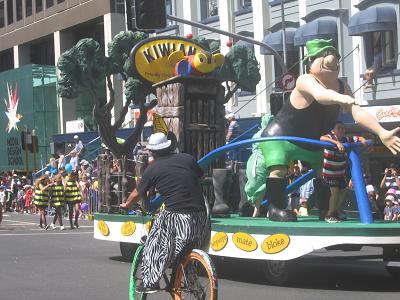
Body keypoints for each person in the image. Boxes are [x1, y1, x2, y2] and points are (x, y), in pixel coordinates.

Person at [258, 38, 400, 222]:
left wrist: (381, 131)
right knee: (279, 170)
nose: (330, 60)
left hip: (312, 142)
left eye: (333, 55)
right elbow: (320, 95)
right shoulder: (305, 80)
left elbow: (357, 112)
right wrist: (341, 98)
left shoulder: (342, 86)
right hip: (280, 137)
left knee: (322, 174)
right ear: (310, 61)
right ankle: (276, 210)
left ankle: (325, 210)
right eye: (323, 55)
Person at [120, 132, 207, 293]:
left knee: (154, 244)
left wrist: (126, 204)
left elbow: (136, 194)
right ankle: (191, 281)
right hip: (201, 216)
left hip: (178, 217)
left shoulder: (152, 170)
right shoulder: (187, 158)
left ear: (152, 151)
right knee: (183, 251)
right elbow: (201, 177)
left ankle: (150, 282)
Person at [320, 121, 367, 222]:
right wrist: (337, 143)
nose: (341, 130)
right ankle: (329, 215)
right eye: (338, 128)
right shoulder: (330, 137)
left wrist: (362, 139)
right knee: (335, 193)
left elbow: (357, 138)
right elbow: (322, 138)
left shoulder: (346, 139)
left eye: (343, 128)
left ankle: (334, 211)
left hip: (340, 172)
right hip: (330, 172)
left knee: (343, 192)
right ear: (333, 130)